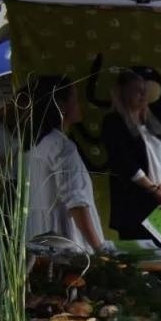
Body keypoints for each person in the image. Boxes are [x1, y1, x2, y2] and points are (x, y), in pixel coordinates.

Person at [24, 75, 107, 254]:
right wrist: (100, 249)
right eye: (75, 100)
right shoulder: (62, 147)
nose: (79, 105)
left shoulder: (37, 145)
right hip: (67, 249)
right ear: (61, 106)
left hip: (39, 244)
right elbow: (77, 203)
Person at [100, 69, 161, 244]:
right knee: (141, 261)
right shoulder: (113, 122)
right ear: (123, 93)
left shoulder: (155, 122)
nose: (143, 94)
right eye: (136, 90)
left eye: (144, 90)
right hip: (133, 206)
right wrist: (153, 189)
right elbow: (123, 161)